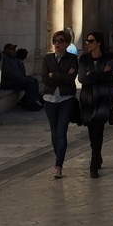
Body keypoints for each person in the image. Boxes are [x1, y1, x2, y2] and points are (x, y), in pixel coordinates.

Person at [41, 29, 79, 178]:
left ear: (67, 43)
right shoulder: (47, 59)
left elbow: (71, 78)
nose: (57, 44)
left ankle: (58, 165)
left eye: (60, 41)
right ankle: (60, 156)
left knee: (61, 132)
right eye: (55, 41)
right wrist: (62, 76)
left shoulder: (72, 59)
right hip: (50, 99)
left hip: (66, 99)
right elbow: (45, 78)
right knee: (54, 132)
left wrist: (54, 74)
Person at [78, 31, 113, 177]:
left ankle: (93, 162)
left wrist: (92, 75)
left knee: (98, 129)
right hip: (88, 99)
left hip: (103, 98)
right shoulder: (84, 59)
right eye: (87, 41)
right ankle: (97, 154)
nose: (88, 44)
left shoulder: (109, 58)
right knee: (91, 130)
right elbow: (82, 78)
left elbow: (109, 75)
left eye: (91, 41)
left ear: (99, 43)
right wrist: (100, 73)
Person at [0, 43, 43, 109]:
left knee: (34, 80)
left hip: (17, 79)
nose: (14, 50)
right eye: (12, 49)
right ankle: (30, 103)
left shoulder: (14, 59)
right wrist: (21, 77)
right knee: (29, 82)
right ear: (6, 50)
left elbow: (20, 71)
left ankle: (35, 100)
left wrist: (23, 76)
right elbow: (9, 74)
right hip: (8, 82)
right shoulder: (5, 60)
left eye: (14, 49)